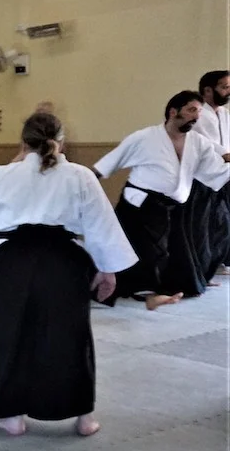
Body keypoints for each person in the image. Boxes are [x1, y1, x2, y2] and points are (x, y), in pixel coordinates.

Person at [0, 113, 138, 437]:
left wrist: (14, 165)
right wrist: (107, 271)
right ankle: (83, 417)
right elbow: (100, 223)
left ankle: (10, 415)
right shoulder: (80, 175)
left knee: (8, 335)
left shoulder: (3, 173)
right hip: (63, 261)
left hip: (13, 261)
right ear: (62, 141)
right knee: (69, 337)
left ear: (23, 142)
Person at [93, 91, 230, 309]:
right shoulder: (144, 137)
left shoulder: (199, 142)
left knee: (173, 253)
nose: (196, 116)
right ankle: (145, 294)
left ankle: (159, 291)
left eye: (199, 112)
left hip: (173, 206)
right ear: (173, 112)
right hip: (140, 204)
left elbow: (213, 172)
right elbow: (108, 164)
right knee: (145, 252)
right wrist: (86, 187)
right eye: (191, 110)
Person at [192, 71, 230, 277]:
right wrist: (224, 153)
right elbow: (203, 140)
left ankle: (221, 262)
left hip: (225, 175)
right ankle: (204, 266)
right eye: (224, 87)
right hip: (203, 178)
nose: (228, 92)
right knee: (207, 223)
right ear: (208, 90)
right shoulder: (198, 113)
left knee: (224, 221)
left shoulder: (224, 114)